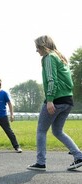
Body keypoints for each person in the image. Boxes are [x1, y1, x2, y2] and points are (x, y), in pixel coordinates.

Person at [27, 35, 82, 171]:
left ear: (44, 46)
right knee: (57, 131)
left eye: (38, 47)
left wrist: (50, 100)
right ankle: (79, 156)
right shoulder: (60, 57)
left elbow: (52, 80)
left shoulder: (49, 58)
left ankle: (41, 163)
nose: (36, 50)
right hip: (67, 100)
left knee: (41, 130)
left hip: (56, 100)